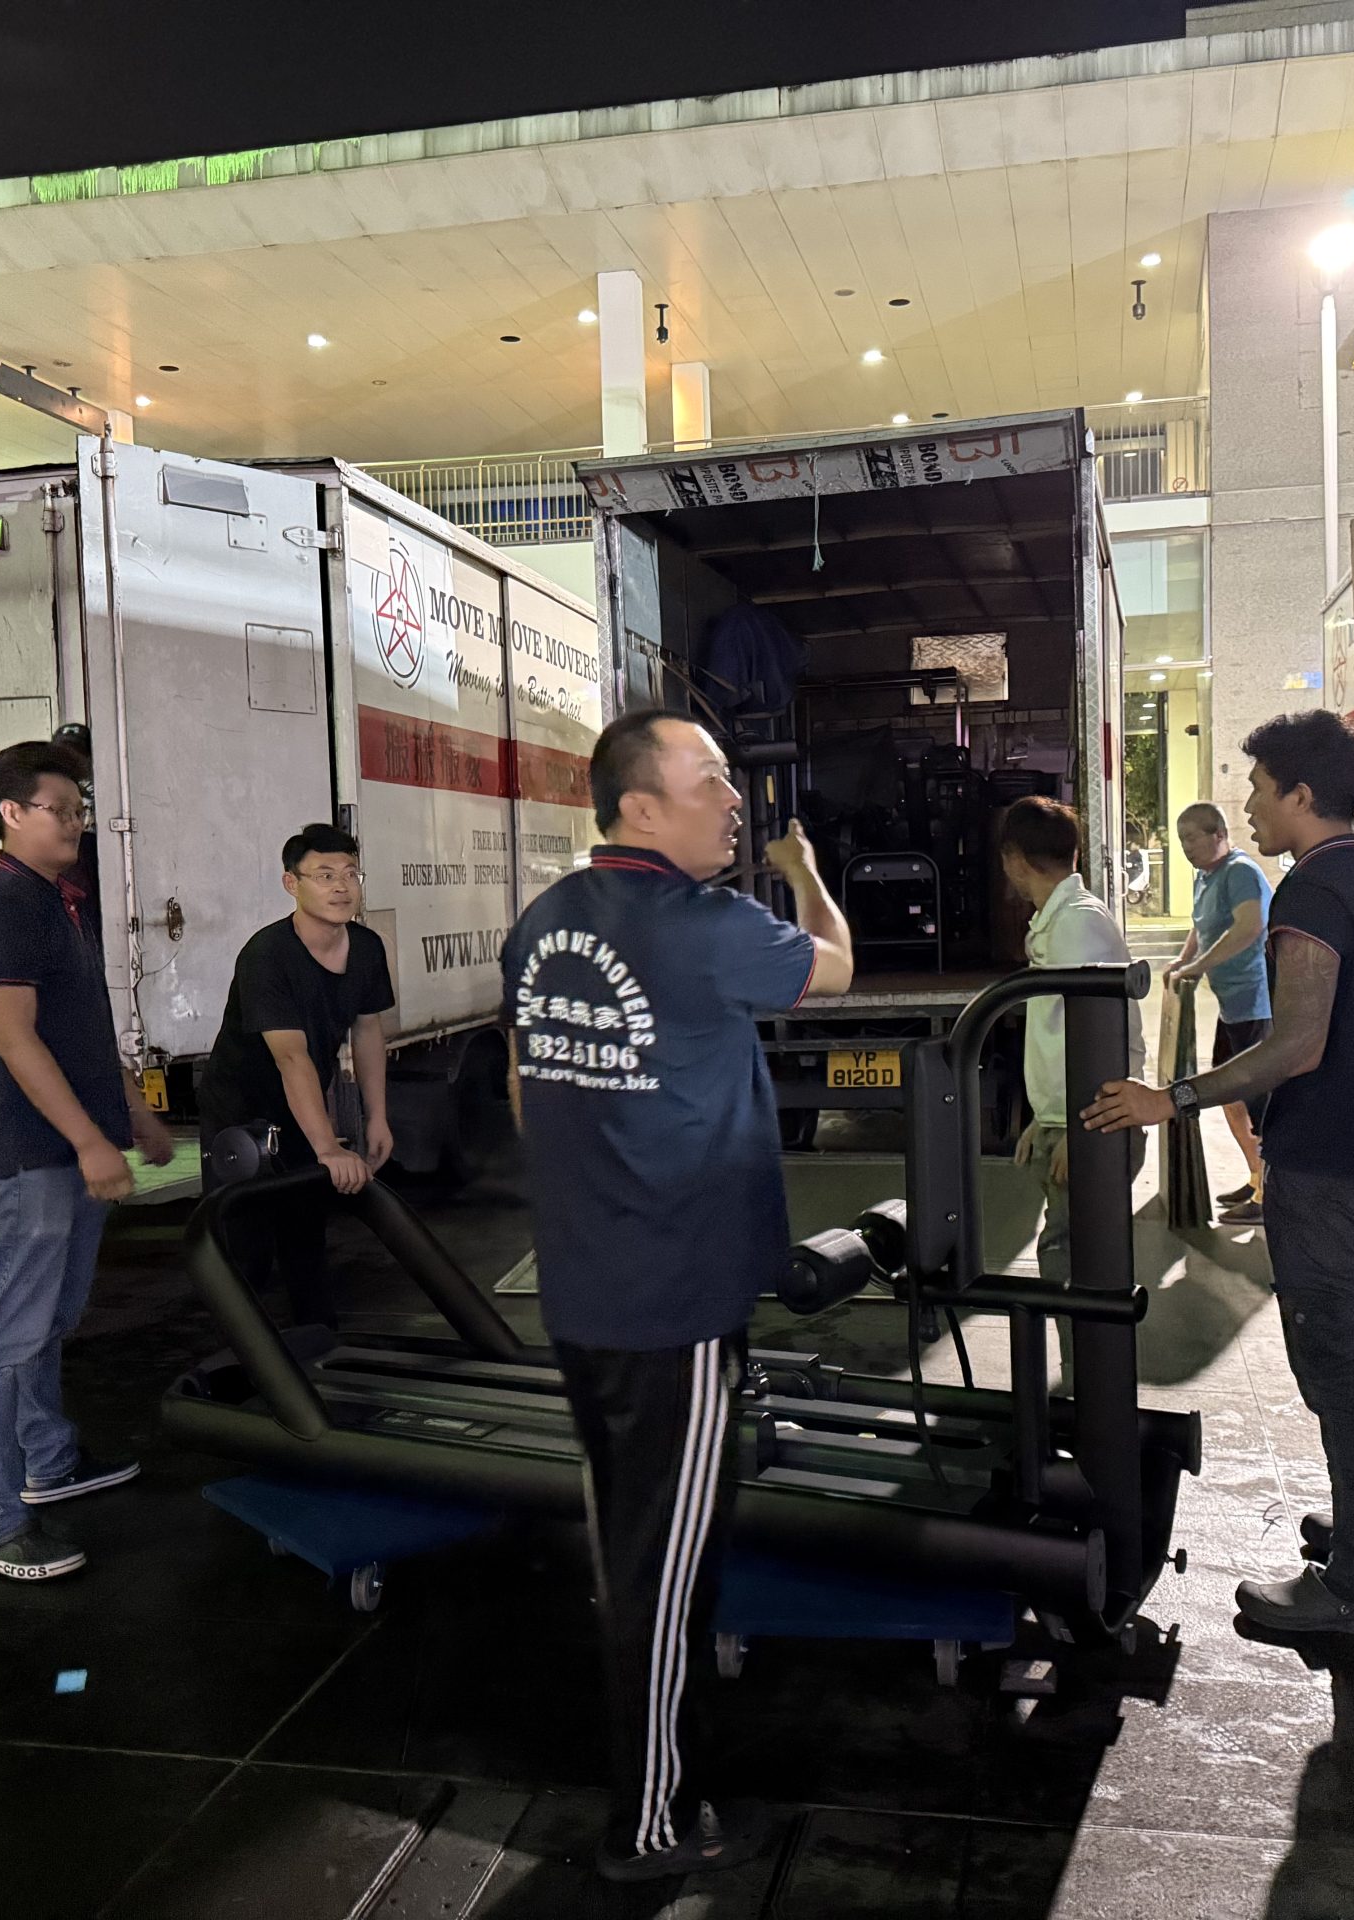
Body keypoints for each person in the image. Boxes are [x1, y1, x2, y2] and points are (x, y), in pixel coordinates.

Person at [501, 710, 852, 1882]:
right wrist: (805, 877)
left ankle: (654, 1785)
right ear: (638, 807)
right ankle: (650, 1822)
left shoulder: (542, 926)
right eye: (708, 782)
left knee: (633, 1545)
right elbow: (837, 970)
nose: (732, 801)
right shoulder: (710, 928)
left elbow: (524, 1090)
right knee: (666, 1570)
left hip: (587, 1287)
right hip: (677, 1304)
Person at [1081, 711, 1354, 1636]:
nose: (1249, 804)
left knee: (1336, 1362)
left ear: (1301, 796)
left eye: (1259, 787)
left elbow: (1298, 1045)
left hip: (1328, 1166)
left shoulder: (1310, 895)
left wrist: (1177, 1096)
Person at [0, 740, 174, 1580]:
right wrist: (86, 1139)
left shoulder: (59, 900)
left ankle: (48, 1462)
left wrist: (131, 1116)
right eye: (62, 810)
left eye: (80, 810)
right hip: (28, 1154)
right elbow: (13, 1039)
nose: (77, 823)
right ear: (12, 814)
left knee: (48, 1318)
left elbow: (78, 1030)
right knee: (2, 1338)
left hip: (71, 1148)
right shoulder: (5, 906)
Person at [194, 824, 395, 1329]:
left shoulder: (366, 948)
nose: (341, 887)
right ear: (292, 884)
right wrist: (327, 1147)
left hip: (300, 1105)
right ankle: (239, 1361)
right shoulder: (267, 955)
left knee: (305, 1233)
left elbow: (368, 1033)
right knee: (247, 1244)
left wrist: (377, 1118)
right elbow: (291, 1058)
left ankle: (316, 1348)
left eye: (350, 873)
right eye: (324, 875)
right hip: (240, 1109)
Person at [997, 797, 1145, 1305]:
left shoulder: (1078, 924)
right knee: (1066, 1256)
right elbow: (1064, 1034)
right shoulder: (1057, 922)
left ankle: (1087, 1382)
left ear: (1013, 859)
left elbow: (1106, 1038)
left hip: (1093, 1124)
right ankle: (1080, 1377)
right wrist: (1046, 1118)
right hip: (1073, 1120)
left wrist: (1082, 1130)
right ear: (1075, 855)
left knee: (1071, 1263)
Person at [1165, 801, 1274, 1224]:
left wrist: (1198, 967)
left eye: (1193, 837)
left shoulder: (1241, 872)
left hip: (1255, 1003)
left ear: (1218, 835)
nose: (1187, 847)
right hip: (1231, 1003)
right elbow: (1200, 924)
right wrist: (1182, 959)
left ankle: (1270, 1195)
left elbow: (1249, 927)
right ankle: (1256, 1176)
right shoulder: (1206, 876)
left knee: (1260, 1100)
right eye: (1182, 840)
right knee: (1229, 1094)